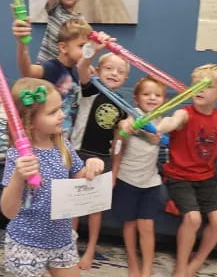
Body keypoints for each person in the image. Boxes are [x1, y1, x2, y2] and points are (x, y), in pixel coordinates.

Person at [0, 77, 104, 277]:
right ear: (28, 122)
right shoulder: (17, 156)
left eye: (61, 108)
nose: (62, 115)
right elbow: (8, 211)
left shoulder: (62, 144)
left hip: (62, 241)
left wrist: (92, 166)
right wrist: (18, 177)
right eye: (52, 112)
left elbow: (78, 178)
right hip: (26, 245)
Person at [155, 64, 217, 277]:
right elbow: (172, 121)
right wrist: (158, 126)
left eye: (207, 86)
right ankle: (181, 267)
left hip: (207, 177)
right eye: (196, 85)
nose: (199, 89)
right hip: (179, 177)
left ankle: (197, 261)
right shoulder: (184, 113)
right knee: (193, 219)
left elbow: (216, 133)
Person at [70, 43, 130, 269]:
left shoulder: (124, 107)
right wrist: (93, 50)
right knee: (74, 205)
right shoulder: (90, 89)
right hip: (79, 154)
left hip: (103, 159)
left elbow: (118, 143)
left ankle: (92, 248)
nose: (114, 73)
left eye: (120, 71)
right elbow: (82, 66)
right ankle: (69, 245)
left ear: (124, 78)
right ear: (99, 70)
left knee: (95, 209)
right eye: (109, 69)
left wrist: (114, 171)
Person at [112, 76, 167, 277]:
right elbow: (122, 132)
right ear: (136, 100)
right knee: (130, 223)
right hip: (127, 180)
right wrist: (123, 127)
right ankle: (133, 261)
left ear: (163, 99)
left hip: (150, 182)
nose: (152, 98)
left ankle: (147, 267)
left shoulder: (163, 121)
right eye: (146, 94)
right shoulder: (132, 117)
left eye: (157, 95)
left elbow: (169, 128)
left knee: (147, 226)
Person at [13, 17, 91, 136]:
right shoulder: (52, 67)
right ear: (63, 47)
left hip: (67, 137)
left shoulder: (78, 70)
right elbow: (27, 71)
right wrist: (22, 44)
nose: (87, 51)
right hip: (48, 136)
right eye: (82, 46)